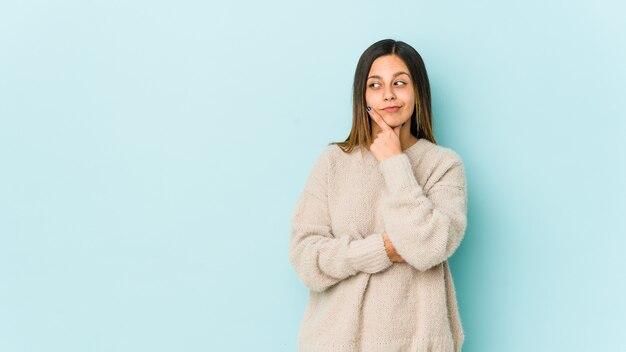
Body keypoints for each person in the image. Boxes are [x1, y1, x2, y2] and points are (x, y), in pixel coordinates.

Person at [288, 38, 468, 352]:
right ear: (363, 95)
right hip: (336, 342)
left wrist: (395, 162)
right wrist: (380, 250)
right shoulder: (333, 162)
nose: (388, 95)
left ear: (418, 93)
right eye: (375, 84)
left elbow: (429, 247)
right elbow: (306, 258)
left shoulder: (444, 165)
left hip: (417, 342)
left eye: (400, 83)